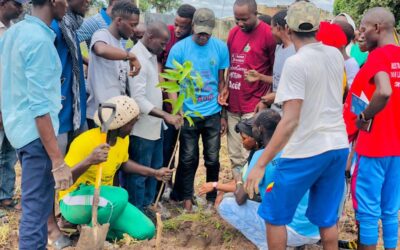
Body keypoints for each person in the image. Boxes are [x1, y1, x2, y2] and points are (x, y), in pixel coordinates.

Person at [245, 2, 349, 249]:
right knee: (326, 219)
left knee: (273, 214)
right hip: (337, 146)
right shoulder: (335, 54)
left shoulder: (296, 62)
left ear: (288, 28)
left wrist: (260, 164)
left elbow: (290, 120)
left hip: (307, 150)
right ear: (317, 26)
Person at [0, 0, 74, 248]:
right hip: (37, 137)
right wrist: (57, 161)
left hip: (18, 131)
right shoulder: (40, 41)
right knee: (36, 211)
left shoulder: (14, 33)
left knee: (36, 206)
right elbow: (41, 110)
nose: (68, 5)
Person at [59, 95, 173, 241]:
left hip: (107, 203)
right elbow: (64, 180)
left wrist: (154, 172)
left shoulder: (122, 140)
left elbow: (123, 163)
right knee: (121, 195)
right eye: (131, 124)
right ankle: (90, 236)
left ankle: (95, 230)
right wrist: (89, 160)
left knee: (146, 231)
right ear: (119, 125)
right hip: (73, 200)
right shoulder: (84, 142)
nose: (132, 129)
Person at [218, 109, 320, 250]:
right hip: (317, 228)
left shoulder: (261, 156)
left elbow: (241, 198)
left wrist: (240, 180)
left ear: (260, 129)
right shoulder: (297, 149)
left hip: (289, 229)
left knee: (226, 204)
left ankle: (269, 245)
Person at [343, 8, 400, 250]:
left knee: (366, 212)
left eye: (364, 28)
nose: (359, 34)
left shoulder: (378, 57)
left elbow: (384, 91)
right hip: (397, 149)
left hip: (374, 146)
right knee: (390, 210)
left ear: (378, 28)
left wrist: (363, 117)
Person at [166, 8, 230, 212]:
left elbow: (221, 81)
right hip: (188, 115)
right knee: (187, 158)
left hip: (212, 113)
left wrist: (222, 112)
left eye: (206, 33)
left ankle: (211, 199)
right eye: (199, 32)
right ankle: (187, 200)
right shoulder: (179, 49)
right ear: (192, 26)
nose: (202, 36)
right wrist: (178, 111)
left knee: (212, 158)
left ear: (212, 29)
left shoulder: (220, 48)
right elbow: (171, 81)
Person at [127, 21, 182, 212]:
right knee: (141, 174)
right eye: (163, 43)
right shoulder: (137, 57)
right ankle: (137, 211)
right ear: (150, 37)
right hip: (141, 128)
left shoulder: (150, 55)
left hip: (155, 126)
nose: (164, 47)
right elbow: (138, 100)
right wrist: (166, 115)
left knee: (155, 169)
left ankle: (149, 206)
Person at [47, 0, 90, 247]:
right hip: (58, 114)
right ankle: (50, 226)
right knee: (52, 173)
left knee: (75, 166)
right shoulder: (53, 28)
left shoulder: (71, 26)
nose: (88, 2)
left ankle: (67, 215)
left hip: (76, 111)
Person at [223, 0, 276, 171]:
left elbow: (276, 74)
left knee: (251, 153)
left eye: (244, 19)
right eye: (236, 19)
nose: (240, 23)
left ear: (255, 13)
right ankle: (237, 188)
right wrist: (225, 87)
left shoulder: (269, 34)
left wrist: (266, 100)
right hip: (233, 104)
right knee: (234, 154)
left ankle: (250, 193)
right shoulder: (233, 33)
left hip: (254, 106)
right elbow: (230, 65)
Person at [158, 4, 196, 200]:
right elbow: (159, 65)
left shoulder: (194, 42)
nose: (179, 30)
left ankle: (180, 192)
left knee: (187, 153)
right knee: (167, 149)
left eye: (184, 26)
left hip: (189, 107)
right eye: (176, 24)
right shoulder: (167, 34)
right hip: (167, 106)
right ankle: (163, 186)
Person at [86, 0, 141, 129]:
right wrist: (130, 56)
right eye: (132, 25)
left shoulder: (119, 43)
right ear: (119, 21)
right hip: (100, 115)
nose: (134, 30)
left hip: (116, 114)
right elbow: (101, 49)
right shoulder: (101, 34)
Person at [0, 0, 25, 217]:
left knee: (9, 154)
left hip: (12, 104)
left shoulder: (14, 30)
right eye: (17, 3)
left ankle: (5, 195)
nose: (21, 8)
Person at [198, 117, 258, 206]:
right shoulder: (254, 153)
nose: (242, 142)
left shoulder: (260, 158)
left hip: (259, 199)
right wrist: (222, 190)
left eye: (244, 138)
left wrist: (215, 185)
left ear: (255, 138)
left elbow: (244, 187)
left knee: (226, 202)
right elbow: (240, 180)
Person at [253, 9, 296, 114]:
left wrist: (276, 96)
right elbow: (278, 80)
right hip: (275, 109)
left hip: (288, 112)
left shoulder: (296, 52)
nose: (270, 32)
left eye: (271, 28)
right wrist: (259, 76)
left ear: (278, 27)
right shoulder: (278, 48)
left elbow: (296, 87)